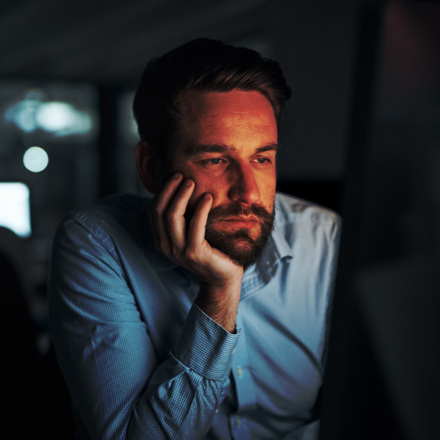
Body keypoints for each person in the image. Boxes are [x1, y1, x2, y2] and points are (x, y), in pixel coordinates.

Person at [48, 38, 341, 440]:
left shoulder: (324, 239)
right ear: (151, 167)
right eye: (215, 160)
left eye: (262, 158)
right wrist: (220, 291)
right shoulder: (98, 243)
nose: (249, 193)